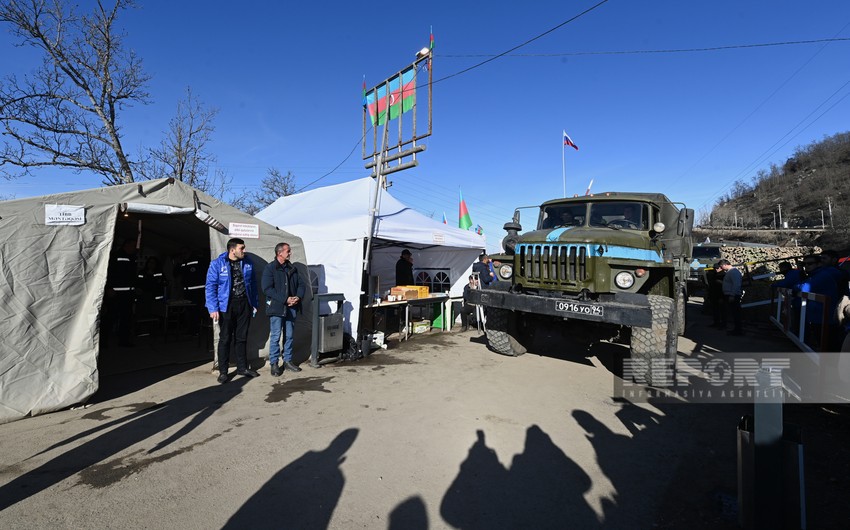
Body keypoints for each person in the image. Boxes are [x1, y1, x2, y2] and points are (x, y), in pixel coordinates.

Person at [206, 238, 259, 383]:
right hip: (226, 306)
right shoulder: (217, 264)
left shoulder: (247, 262)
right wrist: (213, 308)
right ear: (232, 250)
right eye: (242, 248)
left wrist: (254, 303)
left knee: (241, 337)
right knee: (225, 338)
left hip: (244, 304)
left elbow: (253, 284)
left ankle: (242, 368)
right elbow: (210, 287)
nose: (244, 251)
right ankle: (223, 371)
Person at [262, 242, 305, 376]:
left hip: (291, 307)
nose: (290, 253)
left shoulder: (292, 268)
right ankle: (274, 363)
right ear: (279, 253)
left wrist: (297, 297)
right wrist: (285, 299)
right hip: (277, 307)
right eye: (288, 251)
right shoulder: (270, 268)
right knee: (275, 336)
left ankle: (288, 361)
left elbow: (301, 285)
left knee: (289, 336)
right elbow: (267, 289)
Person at [800, 254, 840, 350]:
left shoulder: (822, 275)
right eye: (804, 264)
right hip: (820, 316)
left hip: (826, 318)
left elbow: (804, 287)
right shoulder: (815, 275)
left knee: (829, 347)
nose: (806, 266)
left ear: (818, 264)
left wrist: (796, 287)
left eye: (810, 263)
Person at [104, 238, 138, 347]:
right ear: (126, 245)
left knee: (126, 318)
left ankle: (124, 341)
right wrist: (109, 288)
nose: (134, 248)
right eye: (133, 246)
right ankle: (103, 342)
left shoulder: (133, 258)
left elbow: (132, 275)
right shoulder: (115, 256)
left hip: (128, 294)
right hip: (115, 293)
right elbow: (109, 272)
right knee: (111, 317)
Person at [717, 259, 743, 335]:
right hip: (730, 294)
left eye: (721, 266)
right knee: (733, 312)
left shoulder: (733, 272)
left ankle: (738, 330)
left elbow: (736, 284)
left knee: (736, 313)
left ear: (725, 264)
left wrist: (732, 295)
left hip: (732, 295)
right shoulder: (730, 272)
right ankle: (736, 329)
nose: (721, 268)